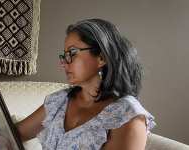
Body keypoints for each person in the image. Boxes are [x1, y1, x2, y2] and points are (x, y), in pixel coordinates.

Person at [17, 18, 156, 150]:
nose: (64, 62)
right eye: (64, 55)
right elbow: (12, 135)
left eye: (72, 52)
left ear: (101, 58)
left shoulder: (127, 116)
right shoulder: (59, 101)